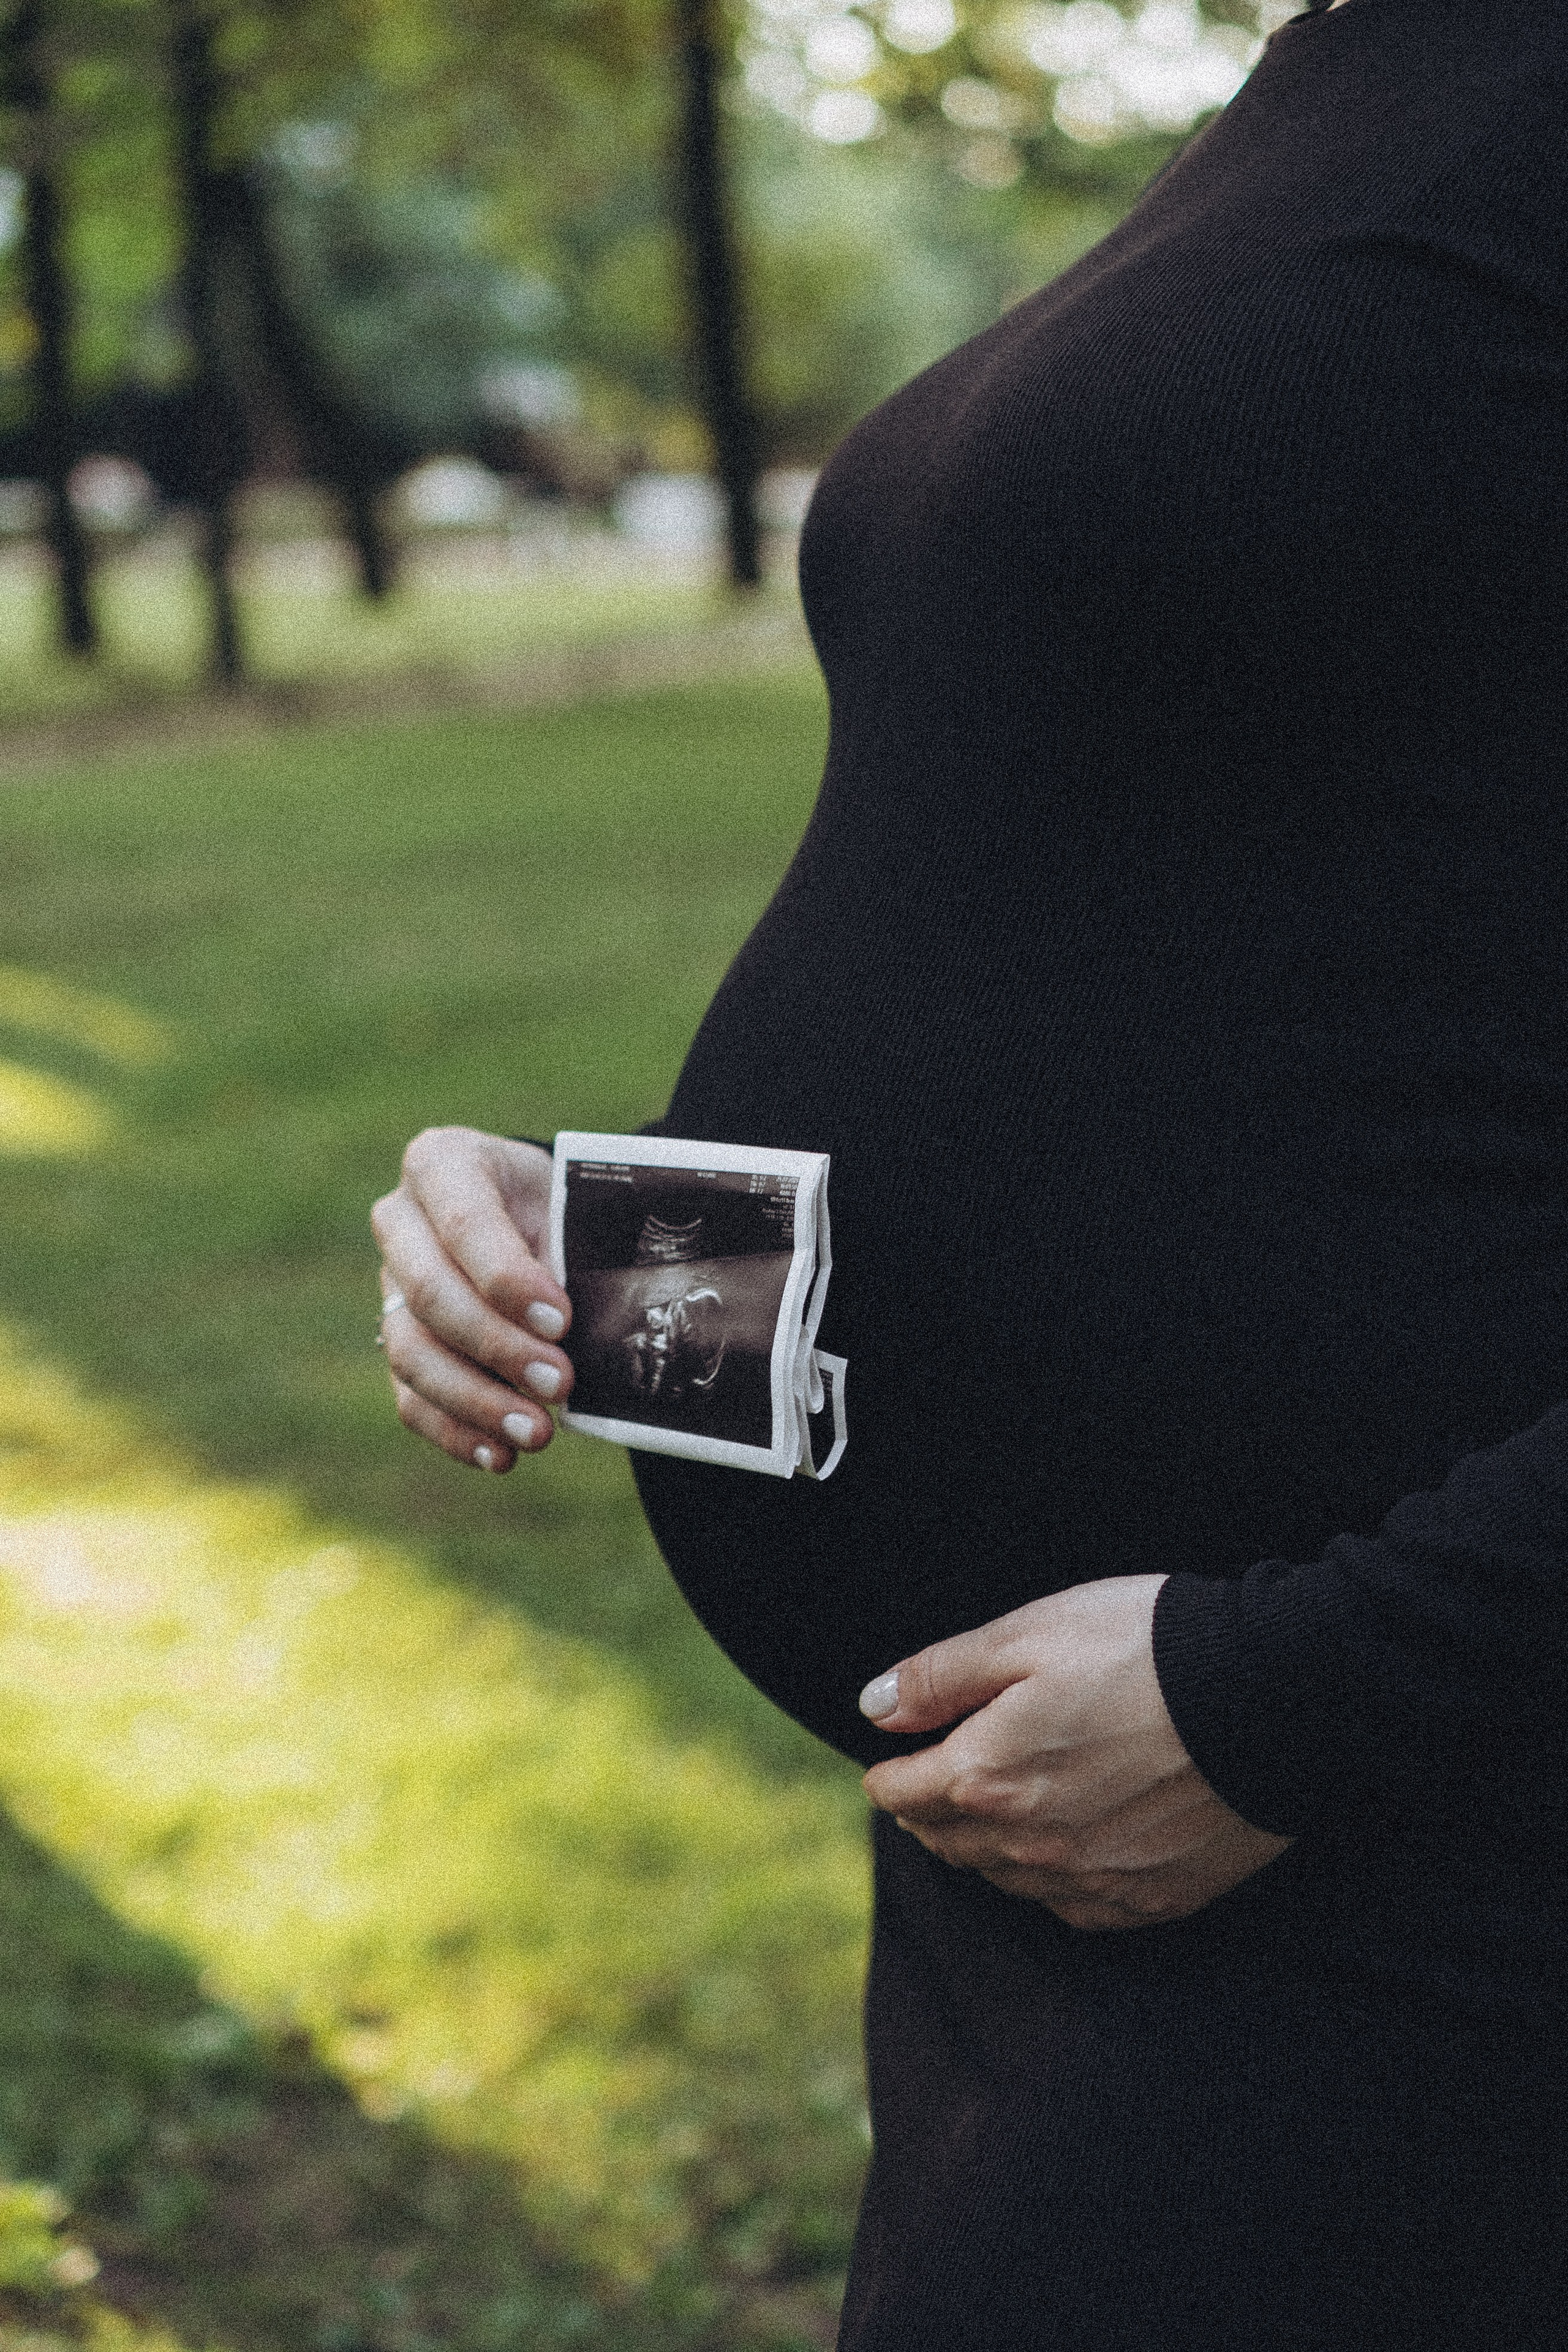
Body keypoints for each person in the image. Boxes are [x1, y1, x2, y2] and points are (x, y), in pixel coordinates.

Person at [371, 0, 1568, 2340]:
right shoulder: (1349, 77)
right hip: (1069, 1844)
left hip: (1415, 1837)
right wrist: (599, 1249)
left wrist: (1304, 1695)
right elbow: (1218, 901)